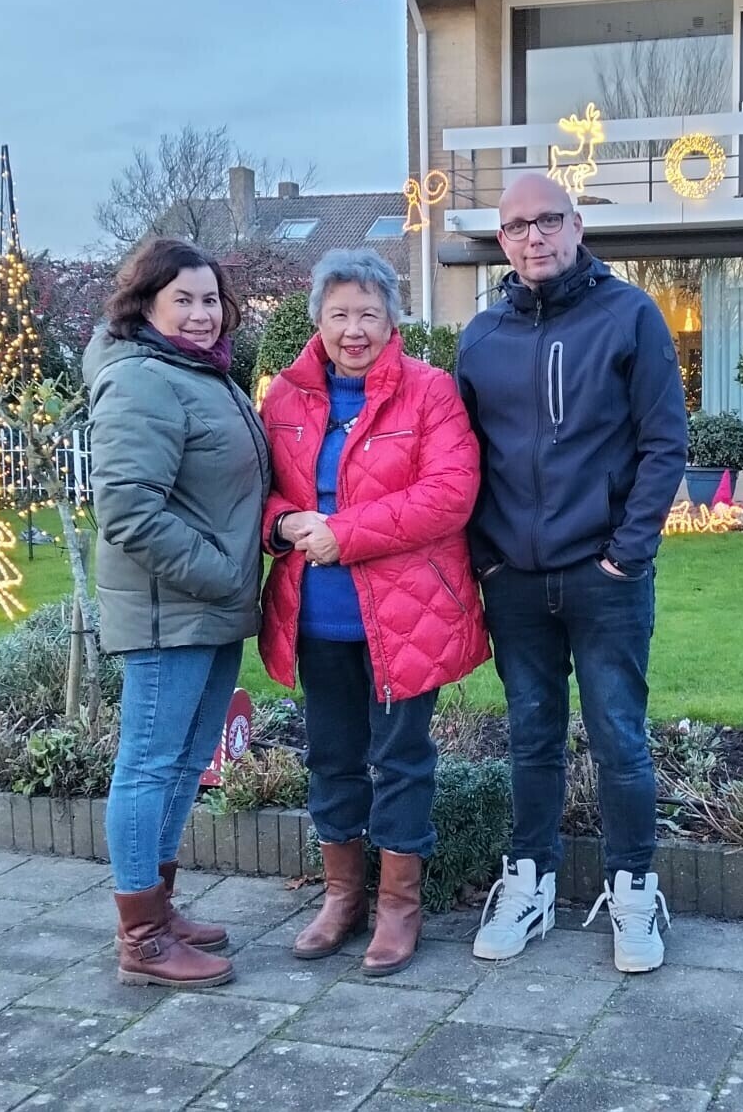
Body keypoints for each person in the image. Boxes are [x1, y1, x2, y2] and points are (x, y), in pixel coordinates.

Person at [459, 173, 688, 973]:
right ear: (503, 239)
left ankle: (632, 889)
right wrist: (485, 556)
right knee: (531, 737)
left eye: (548, 220)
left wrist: (627, 552)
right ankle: (531, 882)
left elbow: (665, 442)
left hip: (607, 576)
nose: (534, 237)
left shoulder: (629, 315)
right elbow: (466, 460)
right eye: (517, 226)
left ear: (578, 224)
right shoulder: (480, 337)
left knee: (620, 736)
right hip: (514, 580)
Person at [259, 248, 487, 977]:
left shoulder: (430, 392)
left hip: (404, 617)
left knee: (400, 759)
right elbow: (254, 490)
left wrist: (343, 532)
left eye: (368, 313)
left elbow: (450, 494)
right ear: (317, 320)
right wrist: (284, 523)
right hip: (316, 614)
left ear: (393, 318)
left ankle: (398, 905)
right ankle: (342, 894)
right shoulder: (285, 400)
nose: (353, 329)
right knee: (329, 755)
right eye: (339, 315)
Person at [85, 237, 268, 989]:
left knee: (187, 764)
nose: (201, 313)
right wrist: (222, 572)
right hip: (173, 611)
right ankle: (144, 939)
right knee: (150, 765)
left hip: (211, 608)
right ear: (146, 304)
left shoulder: (197, 371)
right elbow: (126, 509)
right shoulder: (142, 380)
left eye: (209, 299)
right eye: (182, 299)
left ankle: (159, 905)